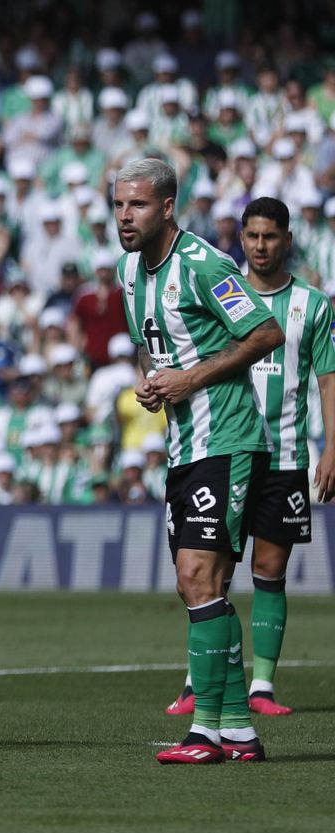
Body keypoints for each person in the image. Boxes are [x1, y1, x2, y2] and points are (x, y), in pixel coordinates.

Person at [116, 158, 285, 764]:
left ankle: (204, 733)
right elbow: (149, 343)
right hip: (185, 447)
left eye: (135, 205)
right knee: (200, 587)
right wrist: (153, 382)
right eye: (117, 206)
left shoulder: (204, 265)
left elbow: (265, 332)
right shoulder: (129, 274)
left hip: (230, 440)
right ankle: (237, 729)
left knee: (196, 577)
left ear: (166, 208)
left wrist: (188, 379)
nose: (124, 217)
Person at [164, 196, 335, 719]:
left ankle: (261, 685)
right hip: (225, 447)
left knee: (269, 567)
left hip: (285, 455)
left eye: (270, 236)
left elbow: (328, 378)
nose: (261, 246)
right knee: (209, 569)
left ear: (286, 239)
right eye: (252, 236)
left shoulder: (313, 305)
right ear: (242, 237)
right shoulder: (219, 289)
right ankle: (200, 679)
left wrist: (331, 448)